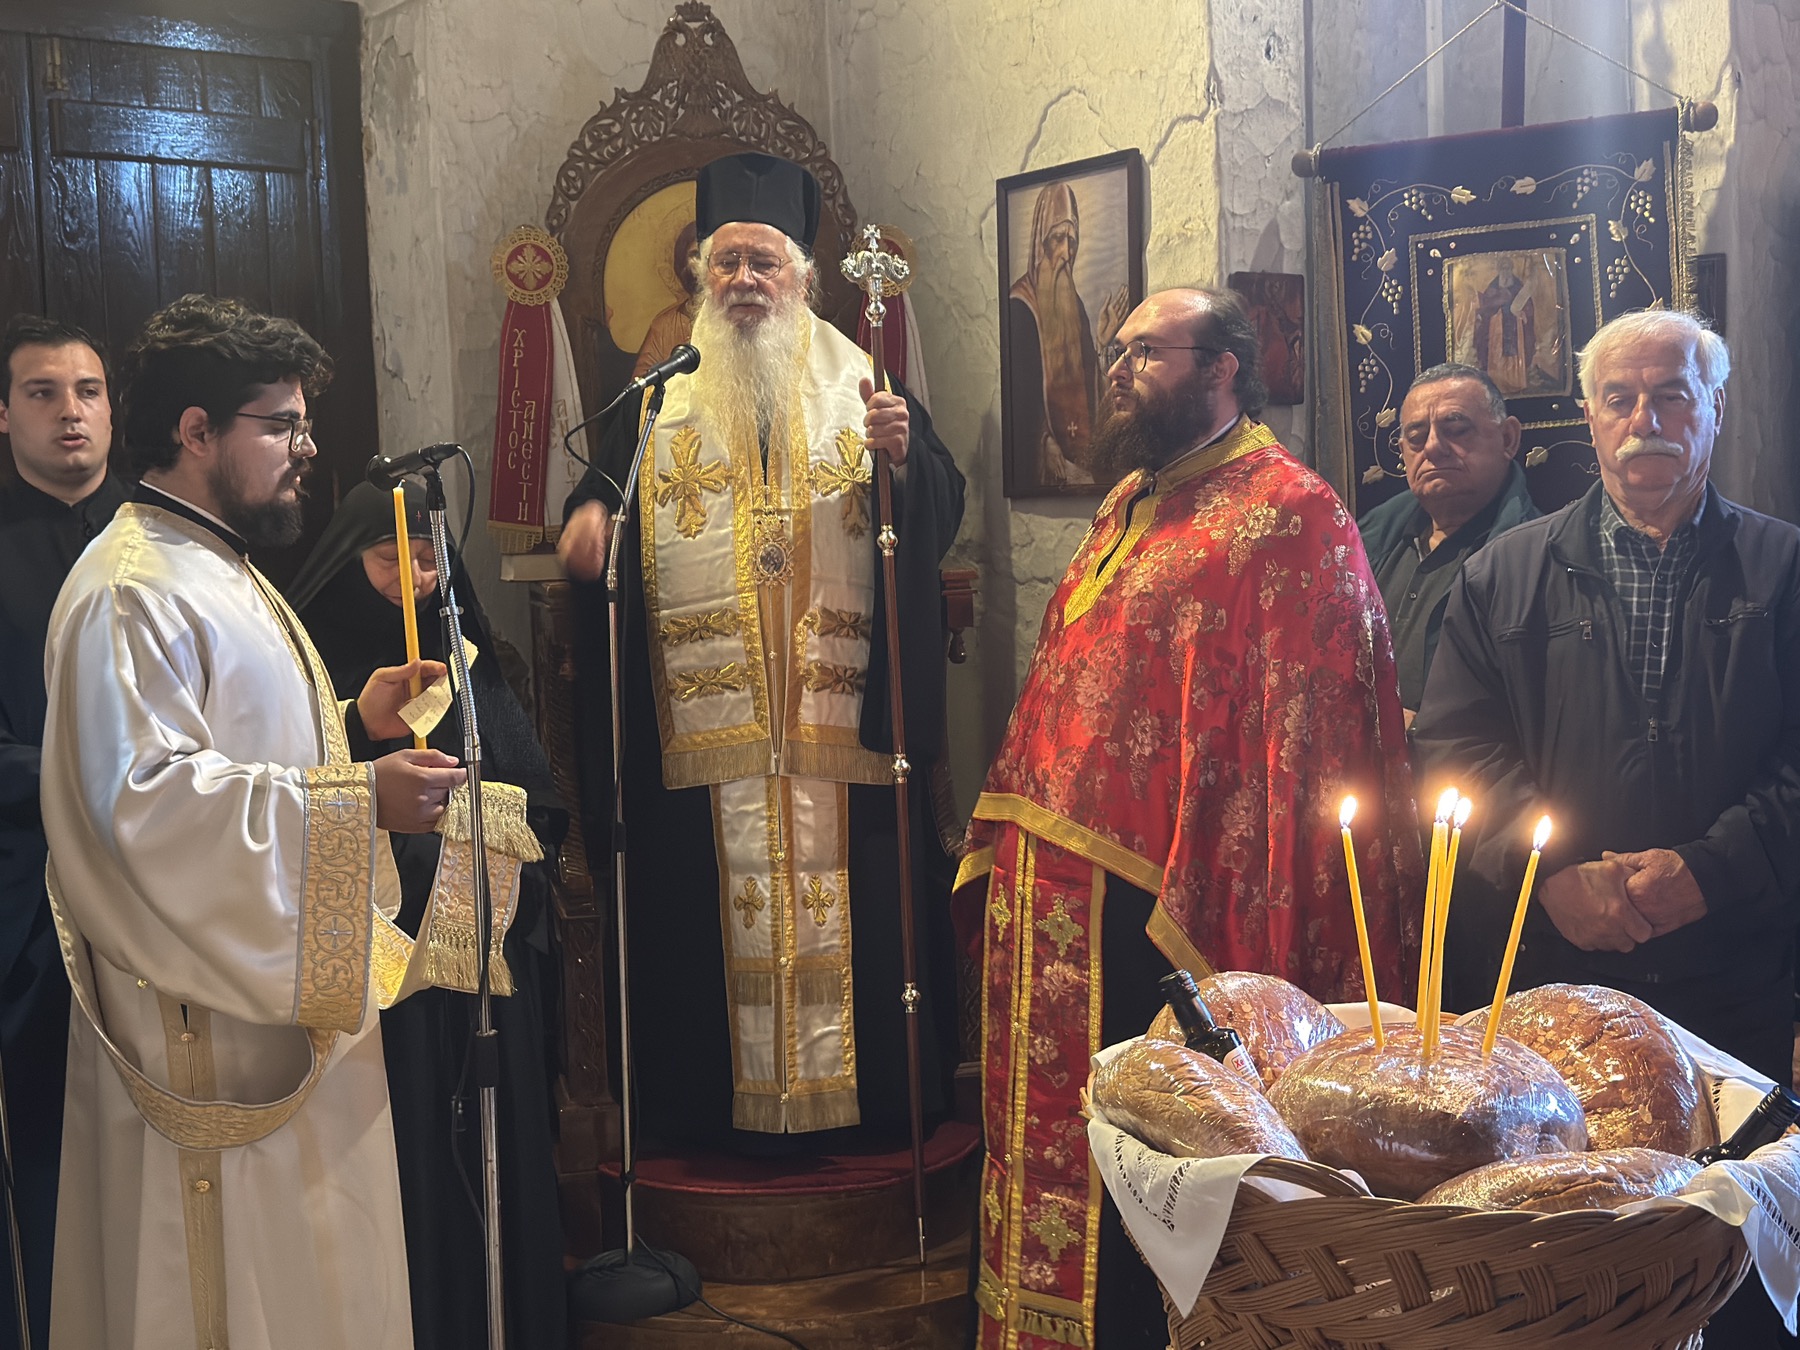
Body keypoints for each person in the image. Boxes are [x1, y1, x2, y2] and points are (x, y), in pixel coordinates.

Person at [958, 287, 1420, 1348]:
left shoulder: (1292, 512)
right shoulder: (1133, 497)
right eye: (1119, 351)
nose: (1120, 370)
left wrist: (1217, 866)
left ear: (1222, 368)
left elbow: (1303, 736)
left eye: (1146, 353)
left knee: (1152, 1153)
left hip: (1173, 901)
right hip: (1059, 877)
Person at [39, 294, 468, 1350]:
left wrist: (354, 726)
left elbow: (238, 753)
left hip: (280, 1024)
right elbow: (146, 808)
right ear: (197, 431)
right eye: (282, 425)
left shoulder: (216, 563)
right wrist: (362, 800)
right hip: (208, 1042)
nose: (308, 449)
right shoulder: (130, 591)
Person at [557, 152, 966, 1148]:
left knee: (858, 917)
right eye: (728, 262)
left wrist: (904, 461)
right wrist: (588, 522)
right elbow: (601, 493)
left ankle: (862, 1123)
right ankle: (713, 1125)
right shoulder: (657, 398)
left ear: (803, 277)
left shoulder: (864, 381)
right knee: (700, 929)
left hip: (841, 727)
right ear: (700, 275)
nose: (745, 280)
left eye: (764, 262)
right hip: (707, 736)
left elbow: (939, 506)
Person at [1415, 305, 1800, 1347]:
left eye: (1673, 395)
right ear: (1587, 419)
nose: (1646, 421)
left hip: (1733, 975)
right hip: (1553, 981)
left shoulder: (1784, 570)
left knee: (1728, 1250)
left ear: (1715, 410)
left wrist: (1711, 870)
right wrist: (1550, 876)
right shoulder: (1501, 576)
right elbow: (1455, 750)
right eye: (1620, 399)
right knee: (1558, 1258)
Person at [288, 482, 567, 1350]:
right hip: (379, 990)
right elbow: (293, 805)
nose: (412, 581)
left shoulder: (467, 658)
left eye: (426, 561)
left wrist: (487, 830)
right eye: (388, 559)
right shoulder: (310, 670)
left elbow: (539, 802)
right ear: (347, 561)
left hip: (483, 976)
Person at [0, 315, 128, 1349]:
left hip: (166, 886)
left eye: (87, 391)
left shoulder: (164, 538)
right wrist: (86, 783)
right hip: (25, 894)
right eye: (42, 393)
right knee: (49, 1142)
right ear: (4, 415)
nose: (69, 412)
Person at [1358, 362, 1540, 719]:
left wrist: (1421, 732)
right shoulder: (1367, 538)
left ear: (1508, 439)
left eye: (1456, 430)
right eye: (1416, 438)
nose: (1433, 447)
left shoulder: (1537, 561)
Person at [1004, 180, 1128, 486]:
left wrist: (1103, 342)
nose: (1065, 252)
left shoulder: (1075, 305)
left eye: (1072, 241)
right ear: (1041, 242)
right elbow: (1021, 394)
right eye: (1058, 238)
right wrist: (1043, 440)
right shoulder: (1021, 305)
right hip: (1049, 462)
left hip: (1079, 460)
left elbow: (1088, 385)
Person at [633, 219, 702, 380]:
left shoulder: (733, 319)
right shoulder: (664, 326)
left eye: (707, 257)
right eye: (694, 255)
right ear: (682, 262)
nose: (700, 265)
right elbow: (643, 381)